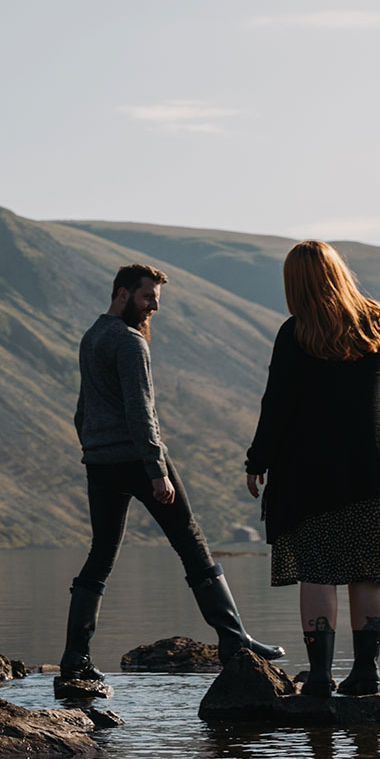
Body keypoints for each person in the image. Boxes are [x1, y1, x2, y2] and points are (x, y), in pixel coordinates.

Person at [59, 263, 282, 692]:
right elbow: (142, 413)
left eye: (157, 302)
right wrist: (157, 471)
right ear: (123, 294)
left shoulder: (92, 336)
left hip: (100, 462)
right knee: (191, 543)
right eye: (147, 299)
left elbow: (82, 409)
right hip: (138, 459)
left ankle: (75, 659)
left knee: (101, 553)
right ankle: (235, 642)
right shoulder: (128, 342)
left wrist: (92, 448)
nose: (152, 309)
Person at [243, 241, 380, 697]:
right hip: (373, 466)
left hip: (308, 468)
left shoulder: (296, 332)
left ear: (296, 283)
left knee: (317, 571)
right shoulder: (379, 326)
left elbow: (277, 404)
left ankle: (318, 676)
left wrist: (258, 461)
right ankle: (367, 673)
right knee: (370, 571)